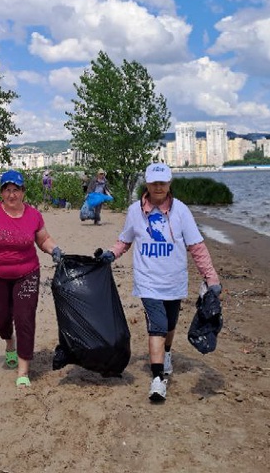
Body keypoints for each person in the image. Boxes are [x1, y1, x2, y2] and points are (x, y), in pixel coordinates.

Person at [94, 162, 222, 402]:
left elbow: (197, 247)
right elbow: (125, 240)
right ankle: (157, 379)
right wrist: (111, 254)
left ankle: (167, 353)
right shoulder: (134, 211)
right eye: (154, 183)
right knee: (158, 325)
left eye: (162, 183)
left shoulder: (181, 211)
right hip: (148, 281)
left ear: (169, 183)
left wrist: (211, 277)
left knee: (170, 324)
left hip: (174, 281)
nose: (158, 187)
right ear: (148, 184)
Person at [0, 170, 64, 388]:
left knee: (24, 318)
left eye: (15, 189)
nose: (11, 194)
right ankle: (10, 343)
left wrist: (53, 249)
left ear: (23, 192)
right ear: (1, 193)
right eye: (7, 190)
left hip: (27, 274)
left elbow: (43, 239)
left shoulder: (33, 215)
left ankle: (23, 369)